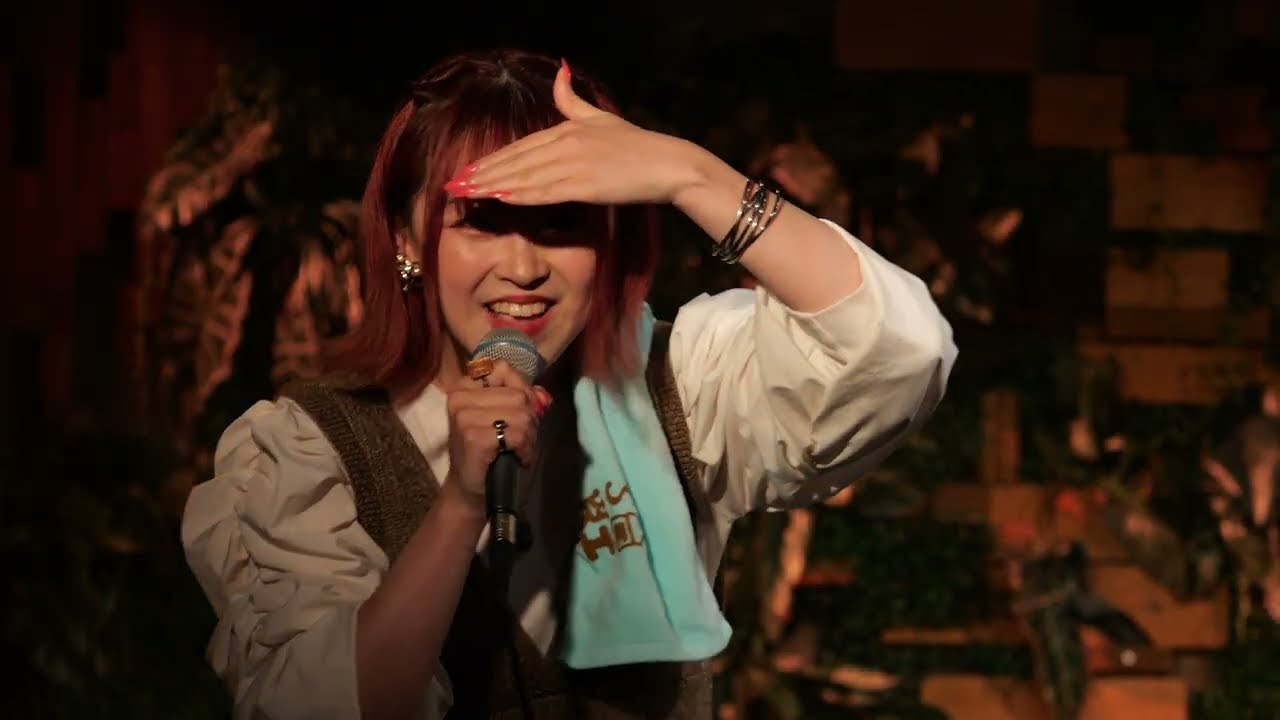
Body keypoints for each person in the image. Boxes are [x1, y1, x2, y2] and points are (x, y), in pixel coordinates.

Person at [181, 49, 957, 720]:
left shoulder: (676, 384)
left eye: (563, 223)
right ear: (406, 239)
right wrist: (460, 504)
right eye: (483, 221)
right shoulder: (309, 451)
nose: (523, 267)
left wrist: (690, 174)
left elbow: (897, 352)